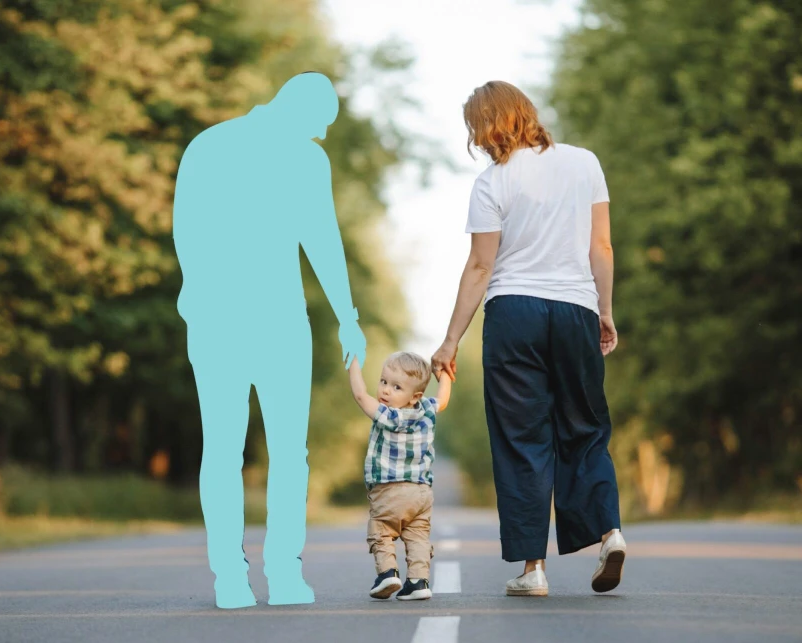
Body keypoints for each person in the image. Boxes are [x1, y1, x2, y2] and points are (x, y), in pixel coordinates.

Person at [172, 72, 367, 609]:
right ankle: (277, 576)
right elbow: (322, 241)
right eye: (320, 126)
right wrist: (347, 319)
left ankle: (235, 580)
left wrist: (198, 301)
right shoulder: (300, 159)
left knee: (226, 451)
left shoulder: (208, 144)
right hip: (267, 321)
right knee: (285, 454)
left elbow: (184, 232)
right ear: (299, 111)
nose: (322, 137)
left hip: (229, 321)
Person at [431, 81, 627, 597]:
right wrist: (604, 310)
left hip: (513, 313)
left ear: (486, 126)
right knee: (584, 429)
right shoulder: (585, 162)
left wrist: (451, 340)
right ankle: (609, 533)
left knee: (522, 439)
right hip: (575, 309)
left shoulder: (491, 183)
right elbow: (601, 244)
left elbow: (480, 265)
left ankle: (533, 569)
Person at [347, 351, 451, 601]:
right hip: (421, 492)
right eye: (383, 382)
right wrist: (445, 374)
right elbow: (443, 399)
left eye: (396, 387)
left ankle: (387, 573)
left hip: (389, 489)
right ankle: (418, 581)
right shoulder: (426, 409)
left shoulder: (389, 415)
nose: (385, 391)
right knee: (417, 535)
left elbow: (361, 396)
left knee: (380, 528)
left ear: (414, 395)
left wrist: (352, 363)